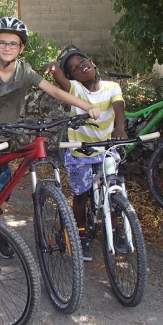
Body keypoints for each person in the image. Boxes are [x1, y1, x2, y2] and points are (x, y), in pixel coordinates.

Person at [0, 17, 100, 258]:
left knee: (1, 190)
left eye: (13, 43)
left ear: (21, 48)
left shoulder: (24, 71)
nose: (7, 47)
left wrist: (85, 106)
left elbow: (53, 90)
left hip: (4, 136)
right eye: (2, 42)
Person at [44, 45, 127, 261]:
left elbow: (118, 108)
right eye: (74, 68)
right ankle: (81, 236)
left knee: (113, 190)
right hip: (80, 151)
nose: (80, 66)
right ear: (73, 77)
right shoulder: (75, 90)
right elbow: (61, 82)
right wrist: (55, 69)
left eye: (82, 60)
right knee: (80, 195)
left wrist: (120, 129)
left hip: (106, 147)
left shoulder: (112, 87)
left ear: (93, 63)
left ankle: (117, 231)